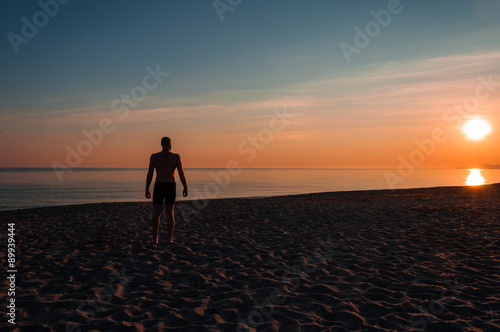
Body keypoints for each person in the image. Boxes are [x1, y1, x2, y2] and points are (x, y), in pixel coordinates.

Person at [145, 137, 188, 244]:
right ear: (170, 145)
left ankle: (155, 239)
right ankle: (169, 238)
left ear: (161, 144)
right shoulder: (175, 157)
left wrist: (147, 188)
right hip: (170, 186)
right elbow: (181, 173)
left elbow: (150, 173)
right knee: (170, 213)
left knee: (157, 213)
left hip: (159, 185)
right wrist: (185, 186)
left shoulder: (155, 157)